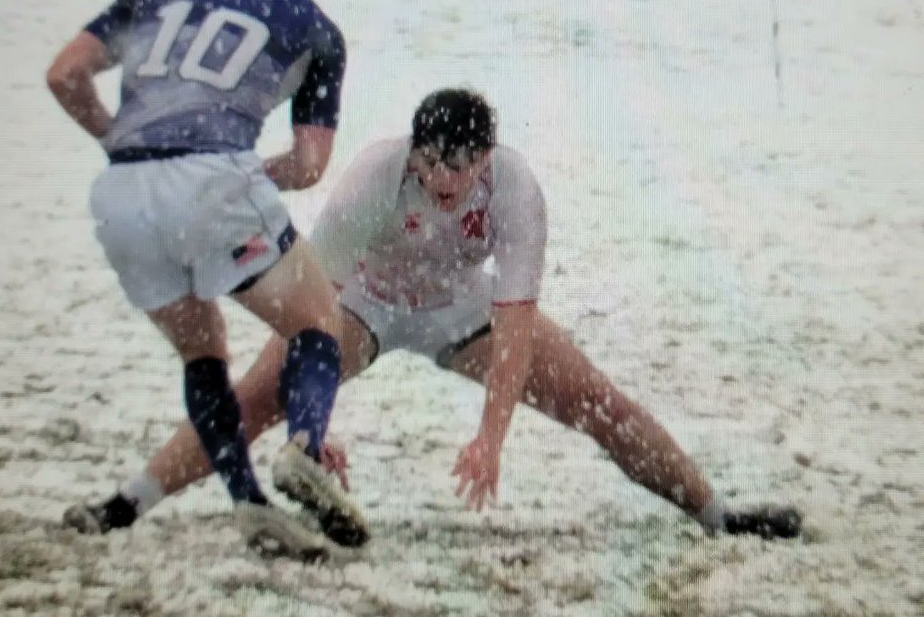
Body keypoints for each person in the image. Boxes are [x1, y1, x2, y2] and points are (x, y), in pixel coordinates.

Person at [87, 88, 803, 545]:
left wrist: (491, 437)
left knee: (596, 400)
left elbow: (515, 327)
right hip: (359, 301)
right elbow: (310, 311)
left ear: (487, 157)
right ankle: (124, 505)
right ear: (414, 152)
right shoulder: (375, 176)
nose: (443, 180)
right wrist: (313, 420)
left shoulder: (516, 190)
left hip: (460, 305)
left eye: (461, 166)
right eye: (431, 163)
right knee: (253, 398)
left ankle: (719, 513)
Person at [45, 0, 367, 560]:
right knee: (317, 321)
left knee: (203, 352)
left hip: (122, 192)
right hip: (214, 177)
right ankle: (303, 447)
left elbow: (65, 73)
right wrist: (243, 177)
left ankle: (248, 501)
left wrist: (116, 137)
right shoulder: (311, 25)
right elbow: (310, 163)